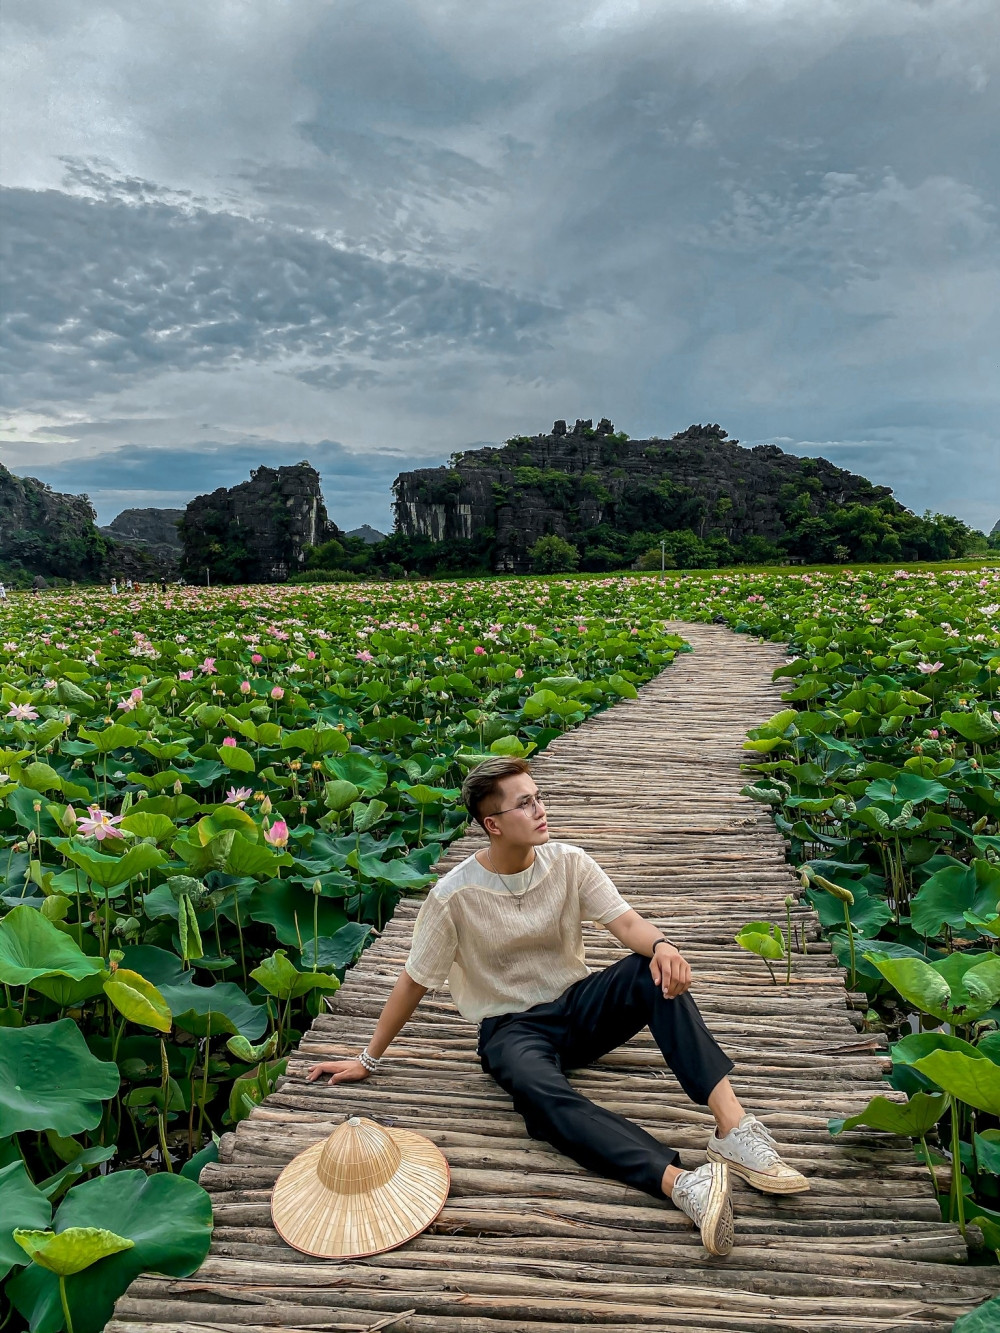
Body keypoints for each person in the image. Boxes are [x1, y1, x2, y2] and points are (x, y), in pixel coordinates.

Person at [308, 756, 809, 1256]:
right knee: (537, 1094)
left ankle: (733, 1130)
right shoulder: (452, 897)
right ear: (494, 824)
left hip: (576, 1007)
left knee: (646, 970)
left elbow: (628, 925)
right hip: (510, 1031)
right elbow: (413, 981)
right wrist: (367, 1059)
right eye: (525, 804)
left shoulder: (569, 862)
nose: (541, 809)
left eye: (539, 796)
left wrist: (663, 947)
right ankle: (681, 1183)